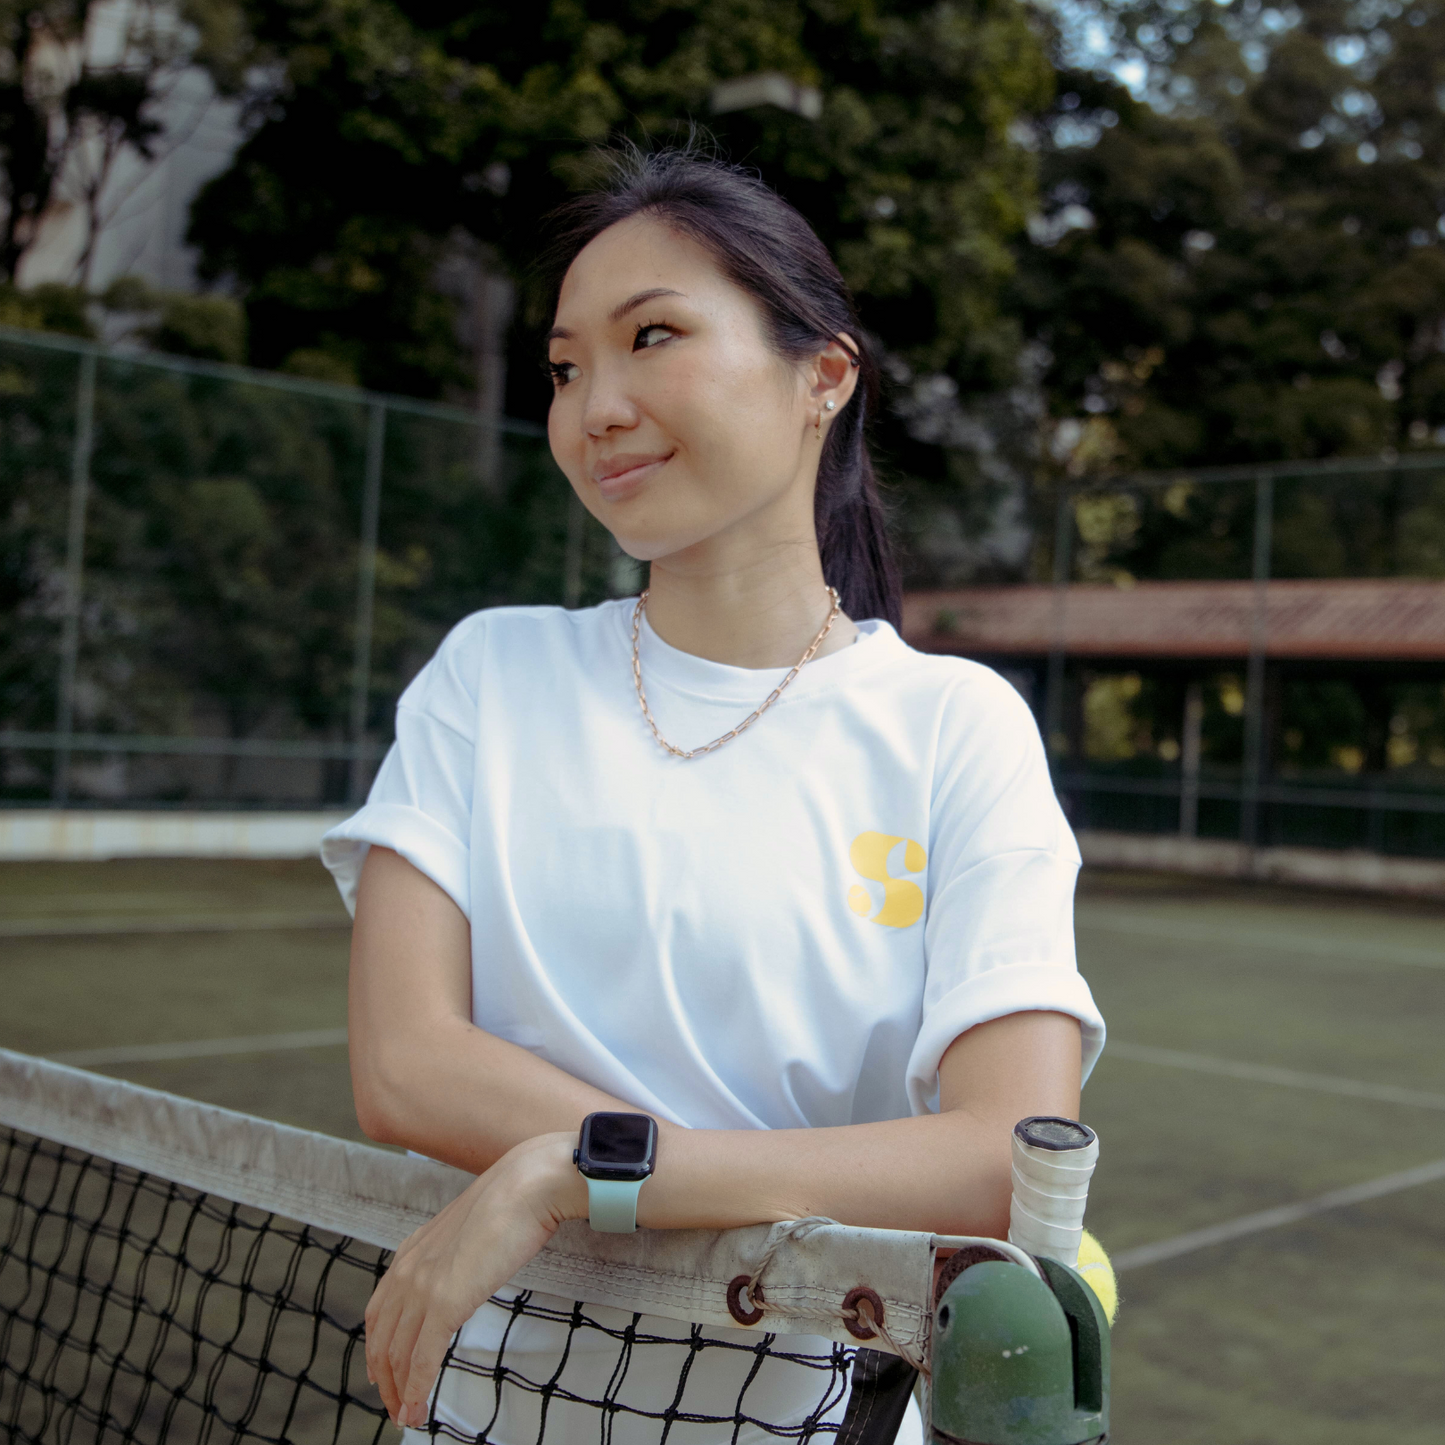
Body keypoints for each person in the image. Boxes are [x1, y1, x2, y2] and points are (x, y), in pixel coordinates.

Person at [321, 144, 1105, 1444]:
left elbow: (998, 1154)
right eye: (568, 366)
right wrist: (615, 1174)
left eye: (654, 337)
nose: (597, 406)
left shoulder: (955, 729)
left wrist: (577, 1176)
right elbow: (405, 1068)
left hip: (810, 1419)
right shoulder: (489, 672)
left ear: (824, 377)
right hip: (481, 1418)